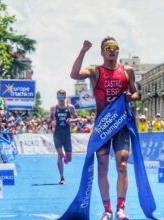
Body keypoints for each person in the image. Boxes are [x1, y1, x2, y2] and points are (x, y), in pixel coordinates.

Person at [70, 37, 138, 220]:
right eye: (108, 47)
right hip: (103, 125)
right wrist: (83, 50)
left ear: (118, 51)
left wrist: (129, 98)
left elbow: (136, 92)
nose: (112, 50)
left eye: (115, 47)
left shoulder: (127, 71)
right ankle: (107, 210)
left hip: (121, 123)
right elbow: (74, 75)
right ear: (102, 51)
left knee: (122, 164)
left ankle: (121, 208)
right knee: (102, 166)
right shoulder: (95, 71)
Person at [50, 89, 78, 185]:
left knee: (69, 158)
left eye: (62, 97)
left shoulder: (70, 108)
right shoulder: (53, 108)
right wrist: (53, 123)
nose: (61, 99)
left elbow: (77, 119)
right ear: (57, 97)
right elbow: (51, 120)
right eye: (59, 97)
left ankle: (66, 158)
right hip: (57, 134)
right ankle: (62, 177)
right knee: (59, 155)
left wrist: (72, 121)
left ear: (65, 97)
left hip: (66, 135)